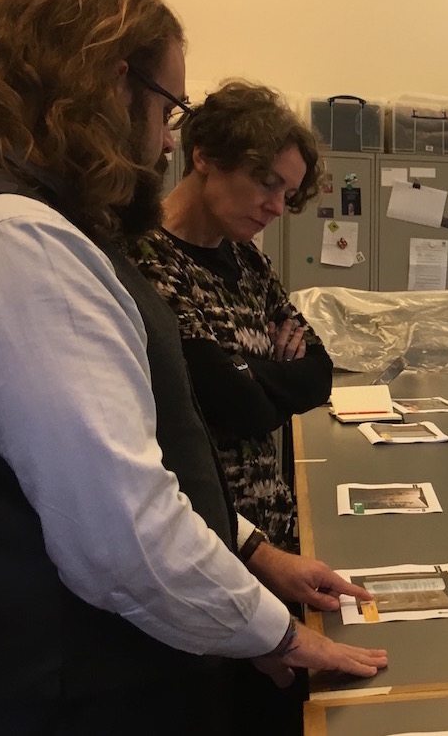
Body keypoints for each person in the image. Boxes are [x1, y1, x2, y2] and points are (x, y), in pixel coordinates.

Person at [0, 0, 386, 734]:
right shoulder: (12, 242)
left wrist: (256, 551)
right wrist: (281, 633)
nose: (168, 137)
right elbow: (121, 530)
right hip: (48, 685)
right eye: (170, 108)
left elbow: (138, 455)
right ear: (108, 79)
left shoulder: (6, 214)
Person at [131, 81, 327, 555]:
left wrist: (246, 373)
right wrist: (268, 379)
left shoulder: (248, 261)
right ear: (205, 156)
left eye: (288, 192)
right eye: (267, 182)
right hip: (205, 544)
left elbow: (318, 373)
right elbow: (232, 403)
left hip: (275, 536)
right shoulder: (145, 257)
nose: (277, 207)